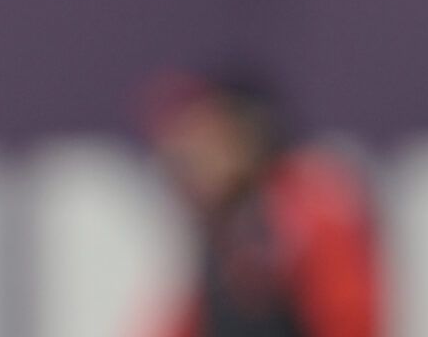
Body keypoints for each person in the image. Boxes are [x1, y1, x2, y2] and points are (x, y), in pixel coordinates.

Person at [142, 71, 383, 337]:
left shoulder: (308, 210)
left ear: (249, 138)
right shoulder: (225, 225)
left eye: (211, 141)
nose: (192, 157)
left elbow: (350, 322)